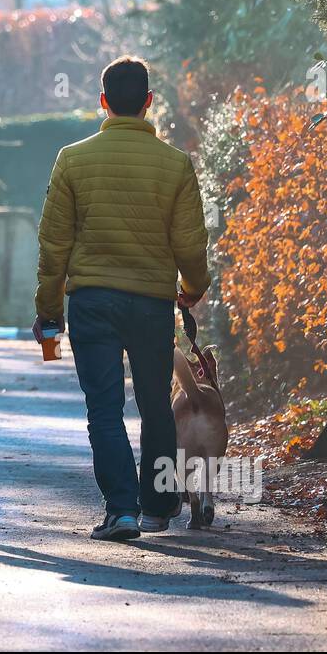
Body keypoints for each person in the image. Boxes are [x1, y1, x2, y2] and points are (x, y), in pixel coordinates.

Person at [33, 56, 211, 541]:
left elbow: (54, 245)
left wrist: (49, 311)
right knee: (156, 402)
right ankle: (157, 505)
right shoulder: (175, 164)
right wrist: (192, 291)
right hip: (152, 303)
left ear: (103, 102)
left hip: (91, 302)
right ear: (149, 102)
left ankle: (121, 511)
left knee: (105, 408)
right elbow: (191, 245)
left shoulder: (72, 159)